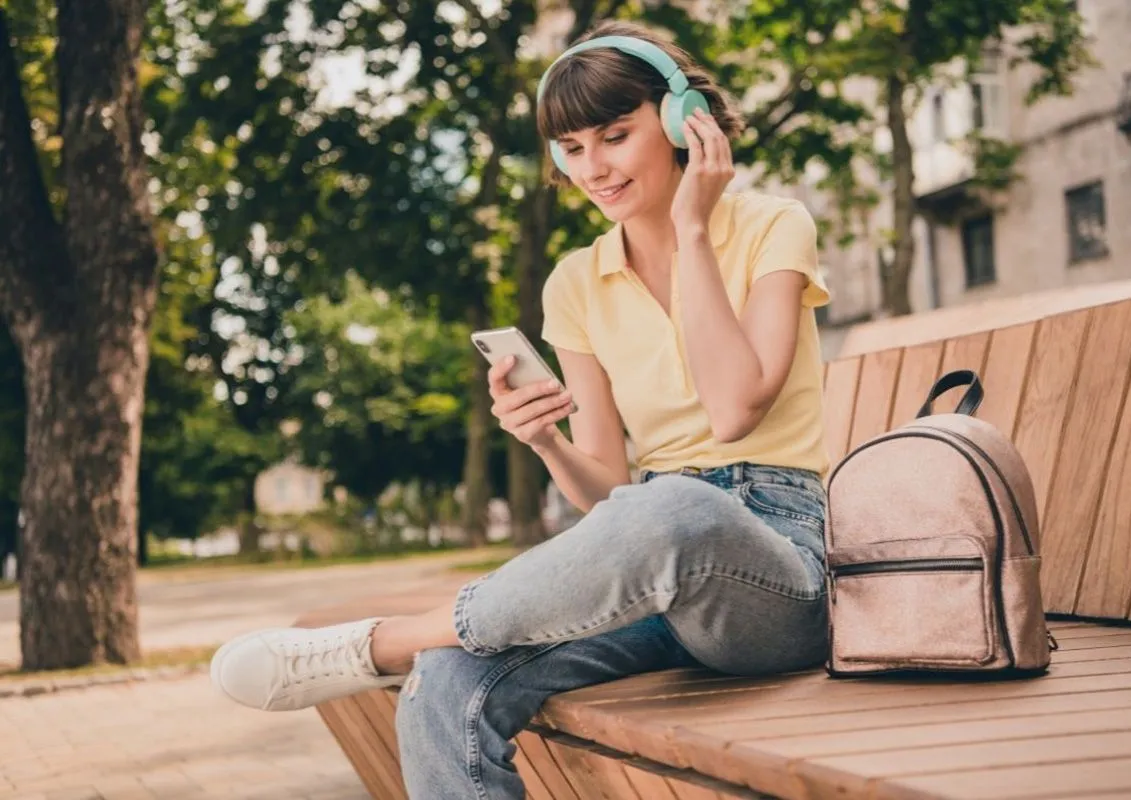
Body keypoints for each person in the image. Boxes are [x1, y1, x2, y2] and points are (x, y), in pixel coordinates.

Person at [210, 18, 832, 799]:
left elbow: (735, 407)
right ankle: (420, 645)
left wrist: (692, 230)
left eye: (615, 135)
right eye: (572, 150)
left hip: (776, 571)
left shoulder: (773, 225)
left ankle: (384, 642)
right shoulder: (575, 281)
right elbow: (608, 488)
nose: (593, 168)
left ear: (681, 122)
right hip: (643, 569)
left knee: (671, 505)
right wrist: (543, 440)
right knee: (448, 679)